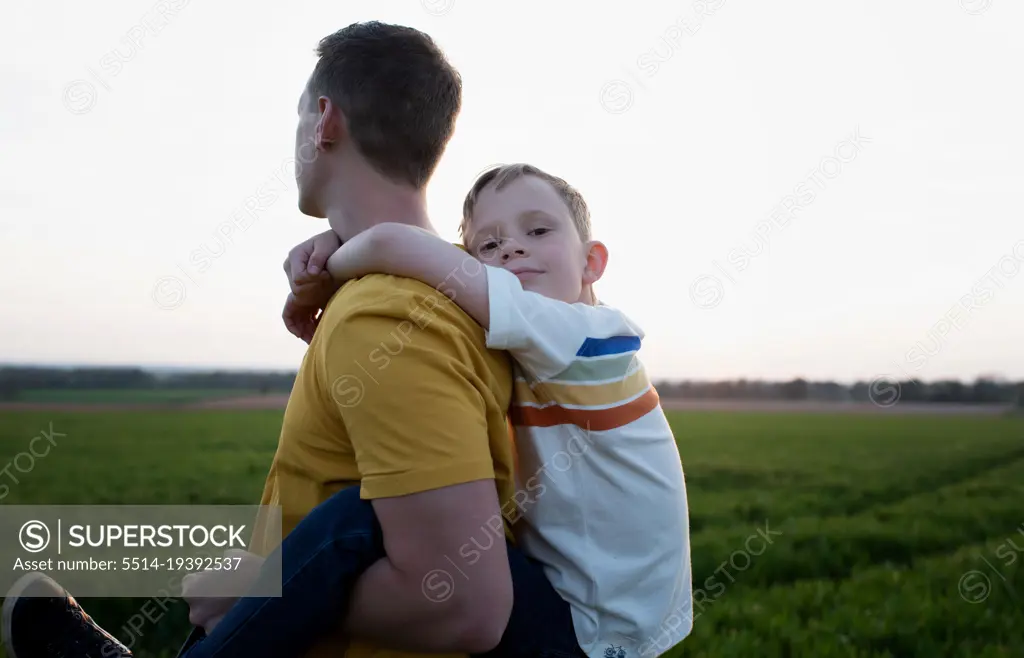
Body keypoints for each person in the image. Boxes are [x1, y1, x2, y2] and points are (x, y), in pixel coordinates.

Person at [2, 21, 536, 658]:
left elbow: (463, 607)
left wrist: (260, 592)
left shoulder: (389, 319)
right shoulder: (465, 289)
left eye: (298, 119)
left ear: (324, 121)